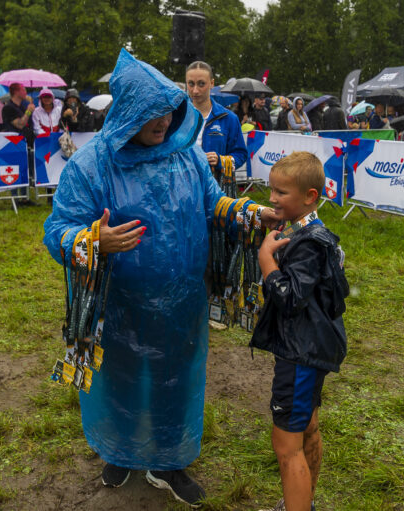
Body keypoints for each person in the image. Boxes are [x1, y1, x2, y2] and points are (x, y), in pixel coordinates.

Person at [43, 49, 278, 508]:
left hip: (181, 302)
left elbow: (216, 204)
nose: (165, 121)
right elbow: (56, 231)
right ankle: (119, 450)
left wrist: (255, 213)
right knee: (118, 377)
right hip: (119, 304)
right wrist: (93, 239)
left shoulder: (186, 156)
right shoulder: (92, 165)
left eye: (170, 111)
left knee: (177, 379)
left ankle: (170, 461)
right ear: (129, 111)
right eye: (154, 112)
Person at [251, 151, 349, 511]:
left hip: (301, 353)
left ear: (309, 196)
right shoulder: (308, 230)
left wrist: (266, 263)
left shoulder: (309, 242)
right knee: (307, 426)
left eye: (281, 193)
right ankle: (300, 502)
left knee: (286, 446)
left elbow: (290, 298)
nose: (272, 199)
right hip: (310, 348)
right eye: (271, 190)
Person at [185, 61, 247, 182]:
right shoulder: (178, 116)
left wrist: (220, 160)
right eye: (191, 84)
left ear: (212, 83)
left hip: (217, 188)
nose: (195, 90)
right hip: (184, 188)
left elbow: (241, 155)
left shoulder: (229, 118)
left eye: (201, 84)